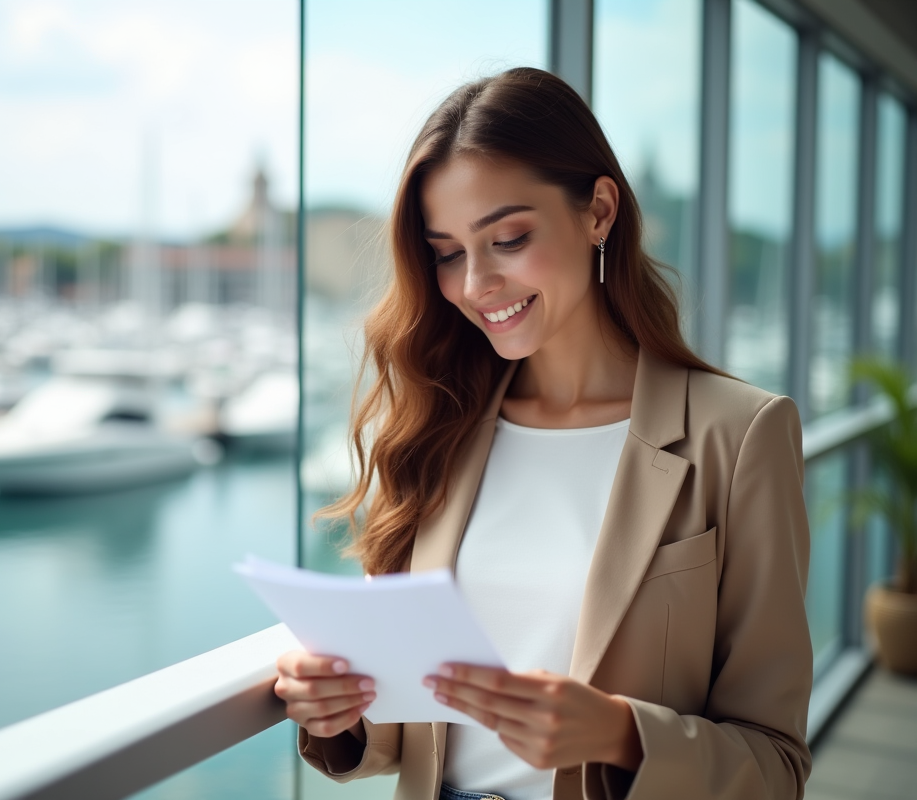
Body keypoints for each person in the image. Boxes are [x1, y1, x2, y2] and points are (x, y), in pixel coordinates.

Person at [274, 68, 812, 800]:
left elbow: (776, 765)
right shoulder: (441, 421)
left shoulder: (740, 434)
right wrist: (340, 713)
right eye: (446, 252)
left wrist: (619, 734)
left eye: (509, 237)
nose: (474, 284)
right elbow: (409, 731)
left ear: (598, 211)